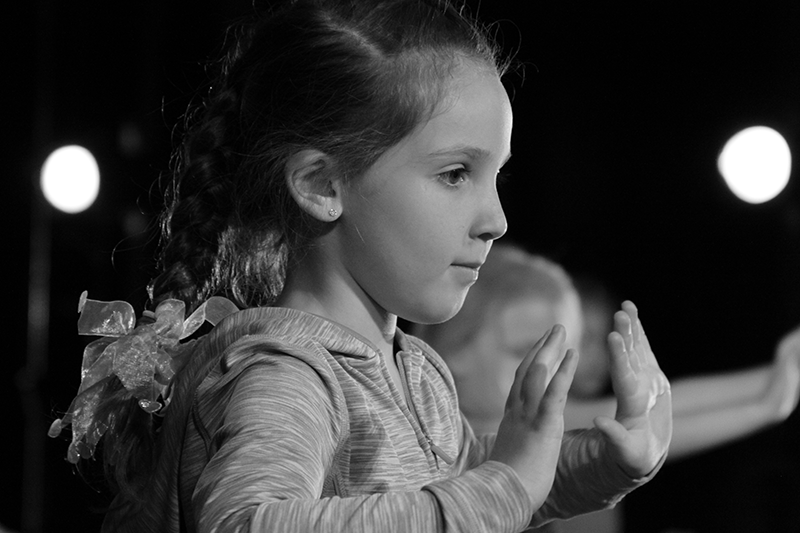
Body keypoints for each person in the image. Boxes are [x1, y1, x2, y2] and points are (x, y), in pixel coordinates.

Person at [49, 1, 671, 531]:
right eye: (456, 174)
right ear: (322, 185)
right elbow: (250, 522)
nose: (497, 219)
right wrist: (505, 486)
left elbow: (466, 487)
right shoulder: (284, 371)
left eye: (496, 176)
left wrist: (607, 460)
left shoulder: (416, 370)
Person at [414, 242, 800, 532]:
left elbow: (659, 403)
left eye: (566, 358)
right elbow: (645, 424)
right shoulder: (457, 442)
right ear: (453, 349)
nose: (549, 376)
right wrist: (766, 401)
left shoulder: (515, 426)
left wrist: (773, 385)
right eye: (524, 352)